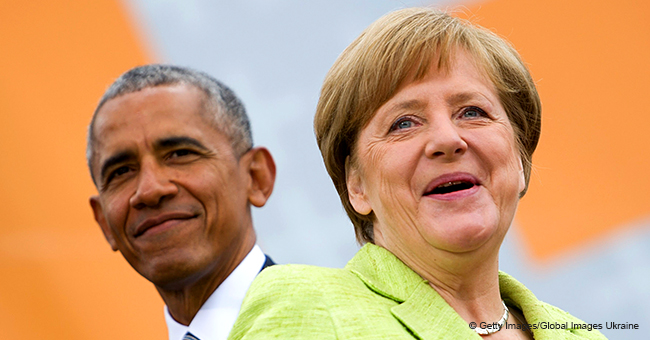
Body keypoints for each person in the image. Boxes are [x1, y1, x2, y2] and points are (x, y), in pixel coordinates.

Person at [229, 8, 607, 340]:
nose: (447, 139)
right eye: (403, 123)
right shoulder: (307, 308)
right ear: (356, 186)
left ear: (520, 161)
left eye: (472, 112)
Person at [87, 64, 276, 340]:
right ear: (104, 222)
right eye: (122, 171)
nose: (150, 190)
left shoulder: (339, 324)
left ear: (255, 177)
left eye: (180, 154)